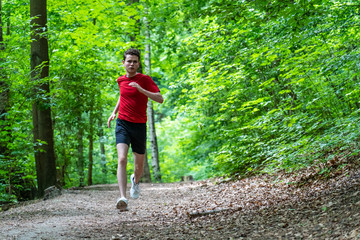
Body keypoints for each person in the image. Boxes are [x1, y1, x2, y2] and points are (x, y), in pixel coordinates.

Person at [107, 48, 164, 211]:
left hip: (139, 125)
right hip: (123, 123)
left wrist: (140, 89)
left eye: (134, 61)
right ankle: (122, 197)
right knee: (122, 159)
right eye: (128, 61)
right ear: (123, 63)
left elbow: (160, 99)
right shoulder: (120, 80)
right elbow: (123, 95)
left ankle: (135, 181)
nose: (131, 64)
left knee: (138, 167)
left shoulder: (145, 79)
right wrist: (114, 112)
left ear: (138, 64)